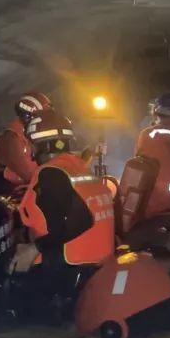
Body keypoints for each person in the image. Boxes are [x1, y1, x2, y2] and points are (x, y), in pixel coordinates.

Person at [9, 109, 115, 287]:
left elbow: (80, 219)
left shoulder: (51, 173)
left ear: (35, 145)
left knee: (11, 280)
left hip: (68, 270)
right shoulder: (79, 168)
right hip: (98, 265)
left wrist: (33, 248)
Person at [0, 90, 51, 196]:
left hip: (27, 190)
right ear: (28, 116)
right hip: (9, 194)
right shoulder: (11, 138)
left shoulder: (34, 133)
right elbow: (28, 173)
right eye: (42, 117)